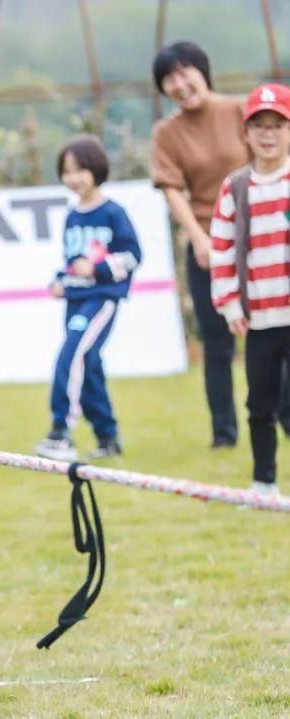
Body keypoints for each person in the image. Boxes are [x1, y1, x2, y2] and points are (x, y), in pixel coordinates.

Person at [149, 41, 290, 447]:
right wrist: (200, 239)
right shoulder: (167, 132)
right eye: (169, 79)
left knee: (274, 334)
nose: (180, 84)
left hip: (264, 241)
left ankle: (281, 415)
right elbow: (172, 189)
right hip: (209, 243)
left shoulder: (239, 111)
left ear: (203, 70)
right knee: (217, 343)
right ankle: (224, 433)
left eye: (185, 72)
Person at [35, 136, 141, 461]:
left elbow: (133, 256)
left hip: (101, 299)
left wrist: (97, 268)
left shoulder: (113, 212)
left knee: (72, 356)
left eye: (80, 169)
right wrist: (60, 280)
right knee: (89, 363)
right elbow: (72, 261)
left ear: (96, 169)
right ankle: (108, 436)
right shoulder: (72, 216)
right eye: (67, 171)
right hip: (75, 299)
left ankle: (60, 431)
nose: (74, 178)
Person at [209, 83, 290, 497]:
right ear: (246, 133)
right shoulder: (236, 187)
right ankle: (263, 484)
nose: (268, 134)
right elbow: (221, 247)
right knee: (260, 404)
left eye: (277, 124)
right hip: (259, 318)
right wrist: (229, 303)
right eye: (259, 125)